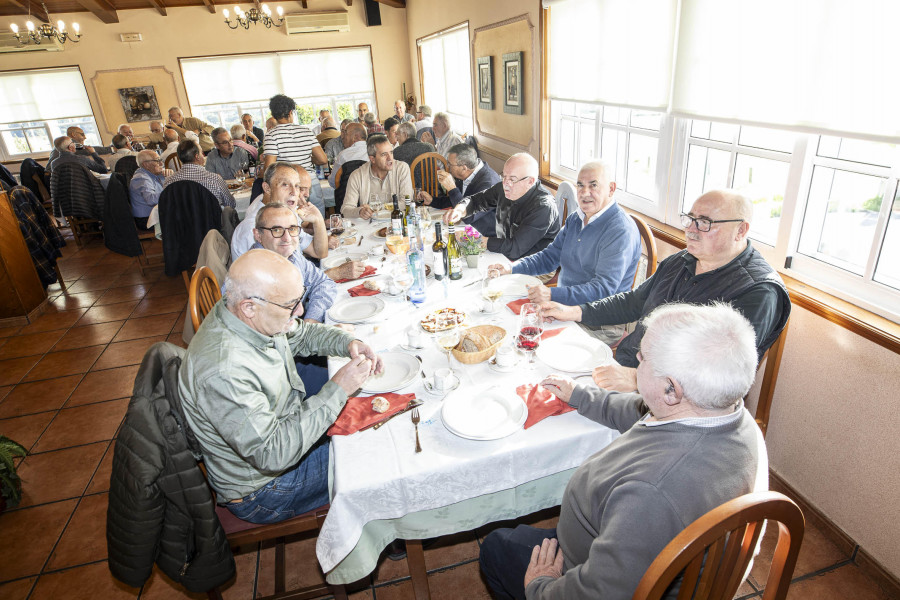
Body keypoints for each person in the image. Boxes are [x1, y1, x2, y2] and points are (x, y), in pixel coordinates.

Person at [479, 302, 769, 600]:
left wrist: (541, 587)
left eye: (642, 360)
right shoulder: (724, 414)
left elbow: (602, 593)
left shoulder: (652, 493)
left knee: (497, 547)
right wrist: (582, 395)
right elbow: (643, 411)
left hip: (599, 576)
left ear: (672, 389)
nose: (636, 363)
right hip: (641, 559)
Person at [178, 249, 383, 524]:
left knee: (375, 418)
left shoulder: (243, 314)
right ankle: (389, 537)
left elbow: (303, 333)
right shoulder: (223, 370)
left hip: (282, 438)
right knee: (376, 450)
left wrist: (347, 343)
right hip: (264, 490)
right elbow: (273, 453)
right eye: (291, 305)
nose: (299, 311)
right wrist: (337, 389)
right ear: (249, 306)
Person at [541, 189, 792, 393]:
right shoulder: (682, 259)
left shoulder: (758, 292)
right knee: (545, 378)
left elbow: (720, 374)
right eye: (690, 218)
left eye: (704, 223)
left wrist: (639, 380)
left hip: (676, 405)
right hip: (628, 366)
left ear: (741, 230)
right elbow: (635, 301)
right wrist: (574, 311)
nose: (691, 229)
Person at [488, 161, 641, 335]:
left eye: (593, 185)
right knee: (504, 323)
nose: (585, 193)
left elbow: (602, 290)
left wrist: (552, 294)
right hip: (561, 307)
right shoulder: (577, 218)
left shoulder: (620, 230)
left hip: (598, 322)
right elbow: (549, 257)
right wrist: (511, 268)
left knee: (528, 340)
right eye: (580, 185)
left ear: (611, 189)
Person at [444, 153, 559, 261]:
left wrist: (475, 240)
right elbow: (477, 200)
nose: (505, 184)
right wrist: (459, 210)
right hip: (506, 252)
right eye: (504, 176)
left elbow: (515, 248)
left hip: (535, 262)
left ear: (530, 181)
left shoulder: (543, 207)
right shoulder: (503, 188)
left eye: (512, 179)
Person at [231, 162, 333, 265]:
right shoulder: (253, 228)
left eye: (297, 186)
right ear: (267, 188)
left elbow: (319, 252)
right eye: (285, 185)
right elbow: (273, 278)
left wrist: (318, 220)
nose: (294, 192)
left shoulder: (286, 218)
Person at [251, 203, 337, 323]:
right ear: (258, 235)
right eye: (276, 230)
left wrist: (312, 319)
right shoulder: (253, 275)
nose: (287, 238)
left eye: (292, 229)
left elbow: (324, 282)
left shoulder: (293, 255)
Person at [261, 94, 328, 215]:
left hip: (288, 185)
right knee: (318, 218)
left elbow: (268, 170)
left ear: (273, 115)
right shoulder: (306, 131)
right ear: (291, 112)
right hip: (309, 180)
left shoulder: (272, 135)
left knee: (293, 222)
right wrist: (307, 159)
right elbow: (323, 159)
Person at [417, 142, 500, 235]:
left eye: (450, 164)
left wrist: (452, 189)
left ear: (464, 168)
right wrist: (433, 201)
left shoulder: (488, 183)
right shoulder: (465, 174)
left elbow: (468, 216)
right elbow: (457, 199)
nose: (447, 167)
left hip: (483, 234)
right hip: (466, 227)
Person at [341, 134, 413, 219]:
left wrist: (376, 208)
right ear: (372, 159)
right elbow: (345, 210)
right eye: (384, 154)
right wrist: (360, 211)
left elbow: (406, 202)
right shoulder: (357, 175)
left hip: (397, 222)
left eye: (391, 152)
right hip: (369, 227)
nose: (390, 158)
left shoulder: (402, 168)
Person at [162, 140, 235, 208]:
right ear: (197, 156)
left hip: (180, 221)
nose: (203, 155)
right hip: (210, 221)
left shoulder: (168, 182)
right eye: (201, 153)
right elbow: (230, 204)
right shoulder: (214, 179)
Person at [129, 150, 172, 229]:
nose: (161, 164)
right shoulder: (141, 178)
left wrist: (169, 177)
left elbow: (164, 188)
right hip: (146, 220)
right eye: (157, 161)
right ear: (146, 165)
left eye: (160, 160)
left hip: (154, 214)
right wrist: (171, 191)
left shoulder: (153, 174)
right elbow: (151, 200)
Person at [328, 122, 367, 188]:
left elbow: (333, 182)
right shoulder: (375, 152)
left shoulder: (344, 155)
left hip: (349, 195)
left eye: (346, 134)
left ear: (355, 137)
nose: (342, 137)